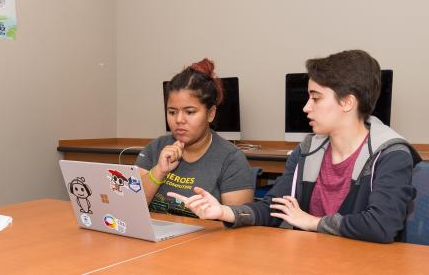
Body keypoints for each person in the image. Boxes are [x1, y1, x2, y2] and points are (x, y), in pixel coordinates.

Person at [170, 50, 422, 243]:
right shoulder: (307, 150)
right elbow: (273, 208)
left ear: (347, 102)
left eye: (316, 98)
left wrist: (313, 222)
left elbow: (382, 225)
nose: (306, 107)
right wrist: (225, 212)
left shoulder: (391, 154)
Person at [136, 58, 254, 218]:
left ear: (210, 114)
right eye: (172, 112)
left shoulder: (231, 159)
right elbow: (132, 207)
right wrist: (159, 171)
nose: (179, 120)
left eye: (190, 112)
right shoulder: (155, 148)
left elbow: (239, 224)